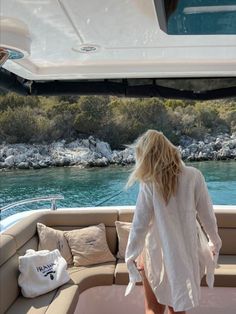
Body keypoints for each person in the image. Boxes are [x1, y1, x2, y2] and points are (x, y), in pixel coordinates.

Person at [125, 130, 222, 314]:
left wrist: (131, 255)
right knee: (178, 307)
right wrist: (214, 242)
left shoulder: (149, 182)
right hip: (185, 251)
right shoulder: (194, 176)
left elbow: (140, 224)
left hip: (154, 253)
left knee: (153, 308)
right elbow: (207, 216)